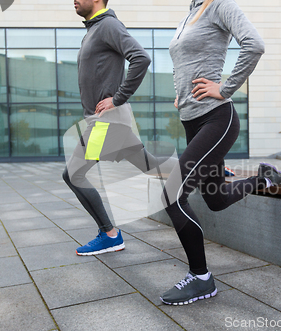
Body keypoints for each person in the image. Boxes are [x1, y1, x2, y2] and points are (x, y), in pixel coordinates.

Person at [160, 0, 281, 305]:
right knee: (216, 200)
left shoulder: (220, 6)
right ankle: (264, 179)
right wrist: (179, 93)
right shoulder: (191, 14)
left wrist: (226, 87)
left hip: (218, 118)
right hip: (192, 121)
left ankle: (202, 278)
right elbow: (183, 61)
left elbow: (254, 45)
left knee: (171, 195)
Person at [66, 0, 169, 256]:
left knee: (74, 175)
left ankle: (110, 234)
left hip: (107, 121)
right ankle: (209, 168)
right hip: (108, 120)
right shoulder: (94, 29)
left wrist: (118, 98)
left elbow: (141, 58)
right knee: (152, 166)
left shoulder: (108, 24)